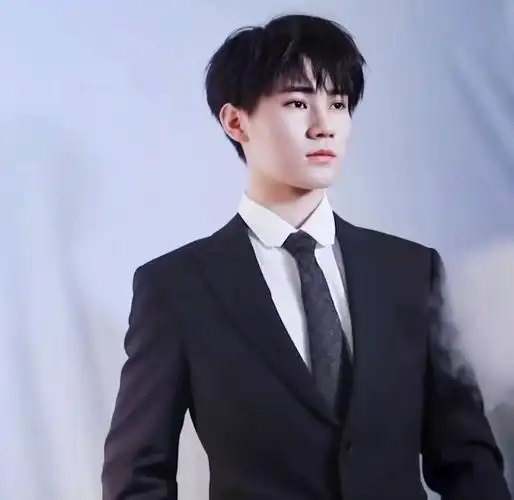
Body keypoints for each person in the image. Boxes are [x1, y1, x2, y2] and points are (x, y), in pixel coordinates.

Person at [101, 13, 511, 500]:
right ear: (236, 121)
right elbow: (138, 475)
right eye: (297, 103)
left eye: (338, 104)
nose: (324, 126)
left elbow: (467, 460)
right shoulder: (178, 287)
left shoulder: (409, 271)